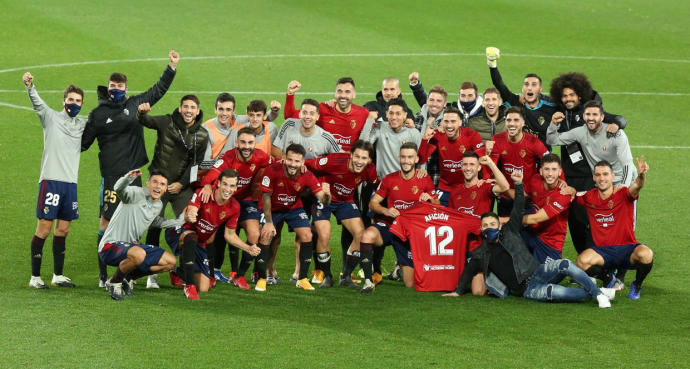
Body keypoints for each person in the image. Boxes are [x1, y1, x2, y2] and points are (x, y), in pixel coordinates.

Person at [444, 170, 617, 308]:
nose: (489, 227)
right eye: (485, 225)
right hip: (529, 290)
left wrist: (518, 184)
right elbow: (467, 272)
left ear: (499, 225)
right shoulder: (480, 253)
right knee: (559, 293)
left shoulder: (510, 230)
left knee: (564, 264)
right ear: (481, 229)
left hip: (538, 271)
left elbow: (518, 207)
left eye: (492, 223)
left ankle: (598, 293)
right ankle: (598, 291)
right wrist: (458, 292)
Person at [81, 50, 179, 287]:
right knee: (106, 223)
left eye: (120, 85)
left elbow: (157, 91)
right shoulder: (98, 114)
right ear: (108, 87)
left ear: (126, 88)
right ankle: (104, 276)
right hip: (112, 175)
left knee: (136, 223)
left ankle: (126, 273)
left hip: (134, 174)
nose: (117, 88)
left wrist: (171, 67)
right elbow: (83, 144)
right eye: (113, 85)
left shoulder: (135, 103)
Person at [548, 71, 628, 257]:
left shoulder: (588, 113)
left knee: (593, 221)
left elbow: (619, 118)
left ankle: (602, 261)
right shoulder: (558, 113)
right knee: (575, 223)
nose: (568, 99)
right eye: (564, 96)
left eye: (571, 95)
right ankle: (586, 262)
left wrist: (617, 124)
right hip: (569, 176)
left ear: (579, 95)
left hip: (589, 175)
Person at [136, 95, 208, 288]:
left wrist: (181, 183)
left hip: (181, 187)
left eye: (193, 107)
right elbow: (146, 121)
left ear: (198, 111)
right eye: (186, 106)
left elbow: (196, 165)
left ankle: (185, 271)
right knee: (153, 226)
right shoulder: (167, 121)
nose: (189, 110)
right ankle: (152, 274)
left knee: (189, 223)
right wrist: (142, 113)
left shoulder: (201, 135)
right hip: (158, 185)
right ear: (180, 108)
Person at [23, 72, 86, 289]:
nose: (74, 103)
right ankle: (35, 277)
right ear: (64, 101)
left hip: (71, 184)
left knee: (63, 230)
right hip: (51, 181)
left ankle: (58, 275)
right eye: (71, 100)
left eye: (78, 101)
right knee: (44, 229)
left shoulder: (83, 124)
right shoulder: (50, 117)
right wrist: (30, 86)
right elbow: (37, 104)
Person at [353, 143, 439, 293]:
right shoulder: (389, 179)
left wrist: (431, 200)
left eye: (410, 157)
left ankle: (399, 270)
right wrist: (386, 211)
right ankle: (368, 281)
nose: (406, 160)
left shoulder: (424, 179)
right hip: (391, 226)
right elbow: (373, 204)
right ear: (399, 158)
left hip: (410, 233)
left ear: (416, 159)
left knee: (409, 284)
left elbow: (438, 206)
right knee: (367, 235)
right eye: (404, 157)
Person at [165, 169, 261, 299]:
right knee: (191, 236)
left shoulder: (235, 207)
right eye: (225, 184)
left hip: (199, 242)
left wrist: (248, 248)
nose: (228, 189)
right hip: (178, 232)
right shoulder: (203, 194)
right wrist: (191, 214)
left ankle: (178, 272)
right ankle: (189, 286)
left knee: (204, 288)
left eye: (232, 186)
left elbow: (230, 235)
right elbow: (192, 210)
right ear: (218, 183)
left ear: (236, 188)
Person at [199, 127, 271, 288]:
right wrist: (208, 185)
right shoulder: (228, 157)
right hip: (225, 201)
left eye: (250, 142)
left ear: (255, 143)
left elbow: (275, 167)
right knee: (210, 237)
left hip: (246, 202)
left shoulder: (261, 157)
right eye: (243, 142)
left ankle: (240, 276)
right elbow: (213, 172)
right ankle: (210, 274)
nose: (246, 146)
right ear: (237, 142)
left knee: (254, 236)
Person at [575, 158, 653, 300]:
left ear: (613, 176)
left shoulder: (623, 193)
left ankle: (637, 285)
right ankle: (608, 279)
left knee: (646, 254)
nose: (601, 178)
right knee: (581, 261)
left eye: (605, 174)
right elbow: (573, 195)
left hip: (627, 249)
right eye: (598, 175)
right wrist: (567, 189)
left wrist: (641, 175)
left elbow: (637, 186)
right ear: (593, 177)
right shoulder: (589, 196)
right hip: (603, 252)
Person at [97, 169, 181, 300]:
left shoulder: (158, 204)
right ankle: (114, 282)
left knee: (170, 262)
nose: (158, 186)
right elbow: (118, 189)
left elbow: (156, 221)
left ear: (165, 189)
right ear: (148, 183)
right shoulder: (135, 193)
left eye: (162, 184)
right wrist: (127, 178)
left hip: (132, 248)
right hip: (110, 246)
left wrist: (181, 222)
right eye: (155, 182)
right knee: (139, 254)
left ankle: (126, 278)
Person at [304, 140, 378, 288]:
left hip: (345, 201)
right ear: (350, 155)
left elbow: (378, 186)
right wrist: (316, 187)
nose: (359, 161)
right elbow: (307, 164)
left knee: (361, 235)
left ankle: (346, 276)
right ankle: (327, 276)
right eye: (356, 157)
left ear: (369, 160)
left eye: (364, 158)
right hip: (325, 198)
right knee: (323, 236)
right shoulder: (335, 160)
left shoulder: (370, 170)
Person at [259, 144, 331, 291]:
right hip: (273, 208)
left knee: (307, 235)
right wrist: (268, 222)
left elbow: (322, 198)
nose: (293, 164)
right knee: (266, 235)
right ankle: (262, 277)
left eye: (297, 161)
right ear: (284, 158)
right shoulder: (271, 171)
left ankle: (302, 278)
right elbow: (265, 197)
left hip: (293, 208)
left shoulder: (308, 175)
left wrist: (327, 194)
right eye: (290, 160)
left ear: (303, 162)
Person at [447, 151, 510, 295]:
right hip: (460, 246)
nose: (468, 168)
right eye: (465, 165)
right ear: (461, 167)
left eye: (472, 165)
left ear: (479, 168)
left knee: (478, 292)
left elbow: (505, 186)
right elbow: (451, 221)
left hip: (480, 247)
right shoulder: (454, 192)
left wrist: (491, 164)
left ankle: (494, 274)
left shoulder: (485, 187)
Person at [546, 100, 637, 187]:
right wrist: (554, 124)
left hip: (623, 179)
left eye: (595, 114)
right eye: (588, 114)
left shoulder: (615, 133)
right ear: (583, 116)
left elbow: (627, 163)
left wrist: (624, 187)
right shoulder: (580, 132)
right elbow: (552, 140)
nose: (591, 118)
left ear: (602, 117)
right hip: (602, 182)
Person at [485, 47, 556, 145]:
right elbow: (499, 85)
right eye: (526, 85)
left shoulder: (551, 105)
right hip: (519, 154)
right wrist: (492, 65)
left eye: (534, 85)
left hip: (542, 155)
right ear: (523, 89)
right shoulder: (515, 102)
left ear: (540, 89)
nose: (529, 88)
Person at [418, 106, 486, 206]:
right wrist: (424, 140)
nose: (449, 125)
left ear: (460, 122)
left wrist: (484, 179)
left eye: (453, 121)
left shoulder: (472, 136)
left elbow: (483, 159)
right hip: (444, 187)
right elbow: (422, 158)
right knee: (439, 217)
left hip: (466, 186)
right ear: (442, 123)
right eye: (446, 121)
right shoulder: (437, 136)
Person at [489, 106, 550, 218]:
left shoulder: (533, 142)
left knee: (526, 231)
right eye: (508, 120)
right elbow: (491, 164)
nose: (512, 124)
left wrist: (561, 181)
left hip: (526, 197)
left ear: (523, 123)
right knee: (505, 231)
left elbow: (550, 162)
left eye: (516, 120)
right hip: (505, 196)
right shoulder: (497, 139)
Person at [283, 78, 369, 152]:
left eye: (347, 92)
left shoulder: (363, 113)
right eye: (339, 91)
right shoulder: (323, 109)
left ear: (354, 94)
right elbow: (290, 117)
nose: (343, 95)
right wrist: (290, 94)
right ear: (335, 93)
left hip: (350, 162)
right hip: (324, 161)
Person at [520, 154, 575, 263]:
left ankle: (564, 269)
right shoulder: (535, 179)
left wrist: (506, 220)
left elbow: (536, 218)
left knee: (545, 276)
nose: (550, 173)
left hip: (550, 242)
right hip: (532, 232)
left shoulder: (564, 193)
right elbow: (521, 194)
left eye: (554, 169)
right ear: (541, 171)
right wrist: (498, 187)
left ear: (560, 172)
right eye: (546, 169)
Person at [272, 98, 341, 160]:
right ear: (299, 114)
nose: (307, 116)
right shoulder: (289, 124)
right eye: (304, 113)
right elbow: (275, 148)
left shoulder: (326, 138)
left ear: (317, 116)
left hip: (311, 173)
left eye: (312, 113)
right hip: (288, 170)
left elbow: (340, 157)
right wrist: (291, 162)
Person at [408, 75, 483, 125]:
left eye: (470, 96)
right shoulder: (453, 108)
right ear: (459, 96)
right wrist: (416, 86)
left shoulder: (484, 110)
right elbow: (432, 105)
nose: (466, 100)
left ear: (476, 96)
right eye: (463, 96)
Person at [202, 93, 237, 162]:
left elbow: (258, 115)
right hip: (208, 171)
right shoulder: (206, 129)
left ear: (234, 111)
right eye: (221, 109)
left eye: (228, 110)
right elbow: (204, 164)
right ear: (215, 110)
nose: (224, 113)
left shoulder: (239, 122)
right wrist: (219, 160)